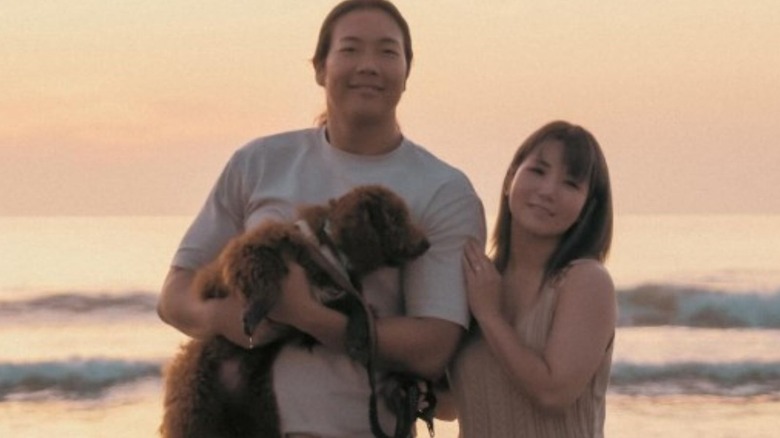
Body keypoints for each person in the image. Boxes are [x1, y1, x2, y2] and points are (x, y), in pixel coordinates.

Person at [156, 0, 485, 437]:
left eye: (387, 51)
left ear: (407, 71)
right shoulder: (260, 162)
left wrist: (308, 315)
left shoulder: (443, 189)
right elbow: (174, 294)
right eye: (350, 49)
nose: (368, 65)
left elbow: (432, 347)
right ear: (319, 68)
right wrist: (228, 319)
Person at [446, 121, 615, 437]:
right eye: (538, 171)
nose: (548, 191)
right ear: (511, 178)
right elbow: (449, 406)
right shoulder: (481, 279)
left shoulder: (585, 281)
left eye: (570, 184)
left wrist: (490, 316)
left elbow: (553, 394)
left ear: (587, 208)